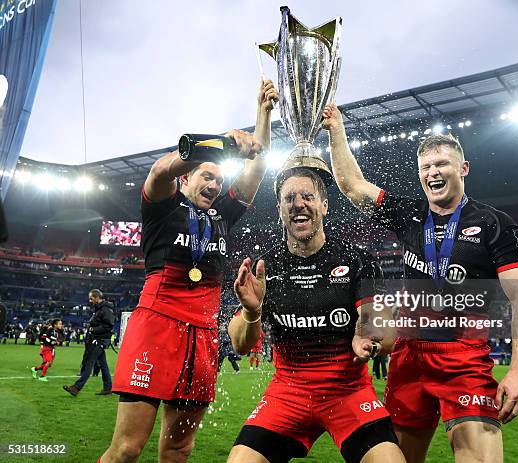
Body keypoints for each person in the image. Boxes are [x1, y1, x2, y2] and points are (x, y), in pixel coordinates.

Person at [323, 102, 518, 463]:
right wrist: (336, 130)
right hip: (409, 358)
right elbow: (351, 186)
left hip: (464, 359)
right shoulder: (409, 215)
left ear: (463, 168)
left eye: (441, 164)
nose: (433, 172)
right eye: (426, 167)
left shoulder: (494, 224)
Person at [99, 79, 277, 463]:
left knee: (179, 449)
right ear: (187, 178)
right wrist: (221, 144)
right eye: (205, 176)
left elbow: (256, 166)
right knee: (127, 449)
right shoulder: (162, 206)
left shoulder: (222, 215)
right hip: (155, 328)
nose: (213, 184)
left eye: (218, 178)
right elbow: (160, 169)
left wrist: (263, 113)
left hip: (201, 337)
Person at [227, 168, 405, 463]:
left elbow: (380, 331)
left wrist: (366, 335)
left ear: (324, 205)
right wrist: (251, 310)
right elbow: (240, 345)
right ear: (280, 210)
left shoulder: (356, 259)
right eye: (289, 198)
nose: (298, 204)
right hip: (288, 393)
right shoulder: (265, 267)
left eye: (307, 196)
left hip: (348, 392)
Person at [63, 289, 115, 396]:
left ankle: (76, 387)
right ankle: (108, 388)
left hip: (99, 340)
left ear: (97, 297)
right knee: (103, 364)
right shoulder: (100, 309)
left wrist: (93, 330)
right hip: (97, 339)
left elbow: (109, 325)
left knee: (89, 364)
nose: (90, 300)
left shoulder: (105, 309)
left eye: (91, 298)